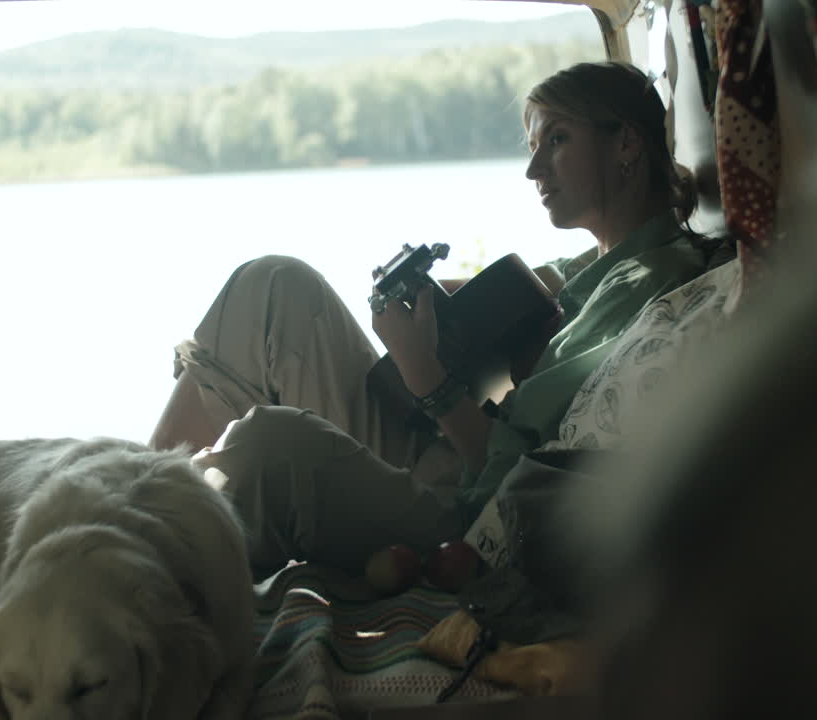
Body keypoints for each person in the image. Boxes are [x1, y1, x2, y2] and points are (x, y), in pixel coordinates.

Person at [149, 61, 717, 581]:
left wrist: (428, 379)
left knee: (268, 441)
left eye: (558, 140)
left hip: (465, 512)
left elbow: (518, 478)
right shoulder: (593, 267)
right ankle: (132, 495)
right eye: (533, 144)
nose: (532, 168)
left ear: (626, 144)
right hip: (433, 450)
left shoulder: (643, 286)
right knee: (274, 285)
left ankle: (138, 542)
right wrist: (427, 302)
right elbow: (528, 296)